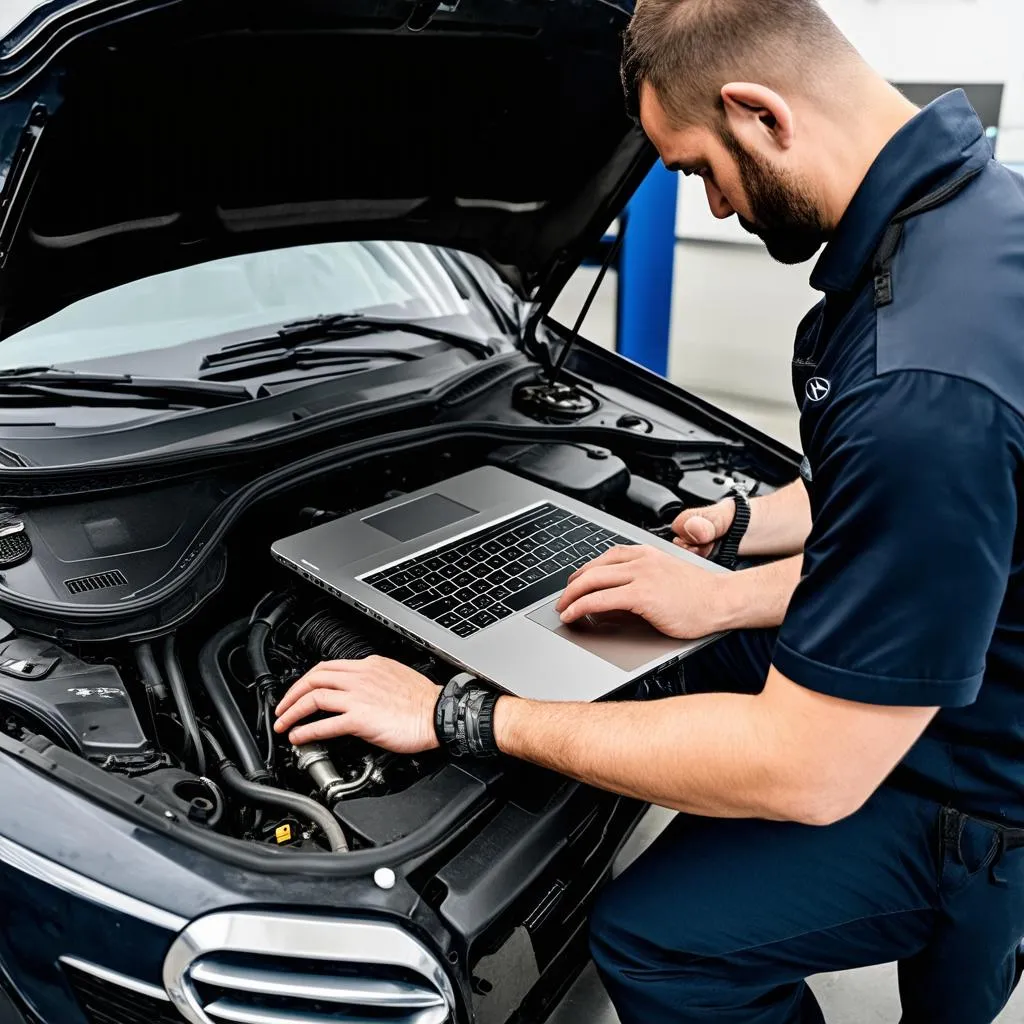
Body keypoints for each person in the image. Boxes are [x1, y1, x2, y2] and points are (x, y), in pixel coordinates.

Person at [274, 1, 1024, 1019]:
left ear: (759, 112)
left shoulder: (920, 383)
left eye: (693, 168)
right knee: (672, 650)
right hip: (966, 660)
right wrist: (731, 557)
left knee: (660, 940)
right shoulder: (976, 221)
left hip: (978, 788)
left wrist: (460, 714)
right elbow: (911, 523)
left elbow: (808, 772)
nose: (712, 206)